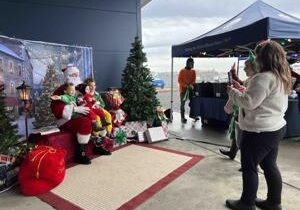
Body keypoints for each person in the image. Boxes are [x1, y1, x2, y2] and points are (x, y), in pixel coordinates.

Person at [225, 40, 291, 210]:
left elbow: (249, 103)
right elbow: (262, 99)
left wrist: (233, 92)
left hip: (258, 131)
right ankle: (273, 202)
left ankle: (246, 203)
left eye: (257, 54)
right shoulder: (281, 76)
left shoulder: (262, 77)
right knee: (269, 166)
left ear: (263, 57)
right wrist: (244, 90)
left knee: (249, 167)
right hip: (275, 127)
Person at [50, 64, 110, 165]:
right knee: (85, 122)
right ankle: (80, 153)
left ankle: (98, 146)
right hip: (67, 119)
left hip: (84, 112)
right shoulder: (61, 90)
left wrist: (93, 104)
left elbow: (88, 99)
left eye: (77, 74)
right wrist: (75, 109)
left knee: (100, 116)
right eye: (72, 74)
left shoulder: (81, 87)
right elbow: (57, 109)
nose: (75, 76)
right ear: (67, 76)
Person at [220, 52, 258, 160]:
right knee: (237, 134)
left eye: (246, 67)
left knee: (244, 139)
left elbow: (248, 100)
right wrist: (239, 86)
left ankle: (247, 162)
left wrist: (234, 92)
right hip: (243, 114)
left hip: (248, 116)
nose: (244, 69)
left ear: (253, 67)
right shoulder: (251, 80)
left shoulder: (256, 81)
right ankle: (235, 153)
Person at [178, 57, 196, 123]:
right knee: (182, 104)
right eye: (192, 63)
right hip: (183, 90)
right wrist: (185, 85)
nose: (193, 64)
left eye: (193, 63)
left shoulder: (193, 71)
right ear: (188, 63)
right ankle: (182, 117)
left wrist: (191, 84)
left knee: (193, 102)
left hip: (190, 89)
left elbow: (194, 80)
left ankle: (192, 115)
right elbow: (179, 80)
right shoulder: (182, 71)